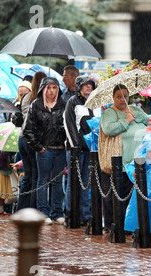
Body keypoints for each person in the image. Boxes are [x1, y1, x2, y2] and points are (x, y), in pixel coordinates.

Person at [99, 84, 150, 232]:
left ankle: (130, 225)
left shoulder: (135, 109)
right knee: (114, 196)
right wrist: (126, 120)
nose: (123, 99)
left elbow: (149, 121)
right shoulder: (109, 113)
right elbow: (109, 129)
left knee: (132, 195)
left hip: (136, 162)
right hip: (118, 162)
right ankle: (114, 226)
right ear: (113, 98)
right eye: (119, 96)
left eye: (125, 96)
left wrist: (136, 115)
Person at [23, 77, 67, 225]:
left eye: (54, 87)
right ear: (43, 89)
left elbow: (69, 126)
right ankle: (43, 212)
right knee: (42, 181)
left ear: (58, 89)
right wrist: (38, 146)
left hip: (60, 149)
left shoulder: (64, 104)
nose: (52, 91)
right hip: (44, 150)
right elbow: (27, 129)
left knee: (57, 182)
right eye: (48, 88)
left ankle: (57, 212)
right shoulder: (36, 105)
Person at [64, 75, 95, 226]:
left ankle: (85, 215)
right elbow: (69, 126)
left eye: (90, 84)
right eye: (85, 85)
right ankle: (71, 214)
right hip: (76, 150)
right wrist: (76, 147)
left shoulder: (94, 103)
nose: (88, 87)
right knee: (73, 182)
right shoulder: (72, 102)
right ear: (78, 87)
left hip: (90, 149)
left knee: (86, 183)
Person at [16, 71, 47, 210]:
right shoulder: (41, 99)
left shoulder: (26, 97)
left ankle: (21, 209)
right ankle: (33, 210)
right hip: (33, 140)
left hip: (22, 138)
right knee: (36, 175)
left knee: (27, 176)